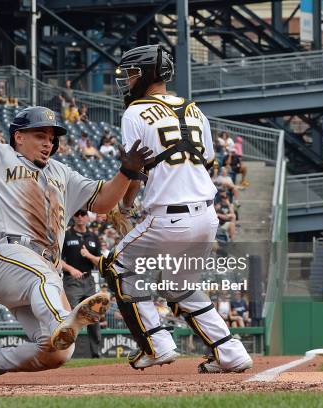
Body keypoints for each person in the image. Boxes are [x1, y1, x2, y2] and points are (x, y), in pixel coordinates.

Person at [0, 42, 152, 386]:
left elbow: (104, 203)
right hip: (11, 258)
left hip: (42, 272)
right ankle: (64, 321)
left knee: (56, 353)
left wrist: (126, 173)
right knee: (46, 287)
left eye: (52, 137)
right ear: (18, 137)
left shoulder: (63, 174)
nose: (48, 142)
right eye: (40, 135)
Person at [100, 44, 252, 373]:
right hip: (207, 216)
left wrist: (125, 207)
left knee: (116, 267)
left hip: (169, 216)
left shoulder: (134, 113)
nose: (127, 80)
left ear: (149, 74)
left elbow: (134, 169)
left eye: (131, 73)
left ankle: (156, 343)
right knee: (179, 286)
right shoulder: (194, 110)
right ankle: (229, 350)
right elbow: (208, 162)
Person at [61, 210, 102, 358]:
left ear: (87, 217)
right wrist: (71, 269)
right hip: (71, 282)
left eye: (82, 214)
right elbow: (56, 259)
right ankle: (66, 354)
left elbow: (100, 262)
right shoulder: (66, 235)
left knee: (93, 318)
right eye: (77, 215)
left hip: (89, 280)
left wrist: (88, 255)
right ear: (73, 217)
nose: (79, 217)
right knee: (70, 317)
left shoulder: (93, 237)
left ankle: (96, 354)